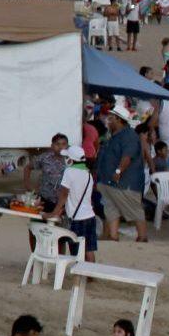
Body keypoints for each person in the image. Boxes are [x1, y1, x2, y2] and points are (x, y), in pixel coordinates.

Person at [94, 104, 149, 243]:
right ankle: (113, 236)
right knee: (110, 207)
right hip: (109, 181)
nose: (108, 120)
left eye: (111, 118)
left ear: (119, 120)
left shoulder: (129, 135)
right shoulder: (114, 135)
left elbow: (127, 156)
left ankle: (142, 237)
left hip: (126, 181)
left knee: (134, 208)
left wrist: (119, 170)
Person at [46, 142, 99, 260]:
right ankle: (90, 276)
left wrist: (54, 212)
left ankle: (78, 276)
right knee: (89, 249)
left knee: (76, 252)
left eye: (67, 157)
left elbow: (64, 195)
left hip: (77, 219)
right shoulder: (88, 173)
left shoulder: (69, 172)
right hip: (90, 216)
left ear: (71, 159)